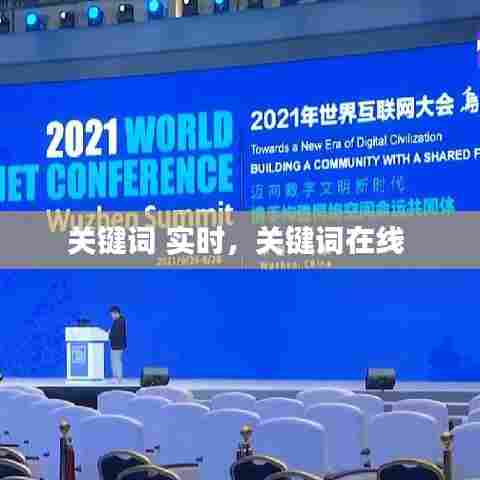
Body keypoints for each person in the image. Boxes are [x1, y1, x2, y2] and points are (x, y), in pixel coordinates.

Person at [108, 306, 127, 382]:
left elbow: (115, 333)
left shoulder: (119, 321)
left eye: (112, 314)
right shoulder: (120, 320)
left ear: (115, 313)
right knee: (115, 361)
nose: (111, 316)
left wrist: (109, 333)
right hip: (117, 345)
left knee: (116, 361)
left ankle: (118, 378)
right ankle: (117, 378)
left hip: (117, 345)